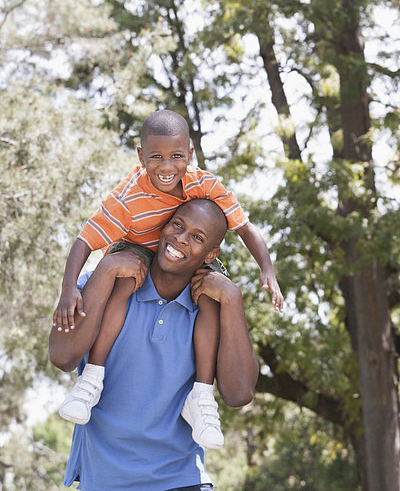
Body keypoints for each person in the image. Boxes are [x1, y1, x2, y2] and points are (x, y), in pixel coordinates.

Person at [54, 110, 282, 447]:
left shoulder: (204, 183)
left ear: (189, 155)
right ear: (141, 156)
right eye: (156, 156)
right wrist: (69, 288)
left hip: (181, 475)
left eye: (176, 156)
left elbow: (243, 226)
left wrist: (267, 268)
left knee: (210, 293)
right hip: (133, 249)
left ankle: (202, 396)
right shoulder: (127, 197)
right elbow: (85, 240)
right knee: (123, 281)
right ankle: (93, 376)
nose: (166, 166)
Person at [49, 199, 259, 491]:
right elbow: (61, 355)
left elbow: (239, 394)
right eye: (178, 225)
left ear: (211, 254)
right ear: (163, 226)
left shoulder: (210, 313)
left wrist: (233, 299)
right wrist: (107, 267)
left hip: (182, 481)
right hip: (102, 481)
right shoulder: (106, 284)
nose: (181, 239)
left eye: (197, 238)